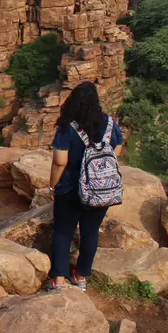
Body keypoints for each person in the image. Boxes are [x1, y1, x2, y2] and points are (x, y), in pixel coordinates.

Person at [45, 81, 123, 291]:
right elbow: (118, 146)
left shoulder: (67, 126)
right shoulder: (108, 123)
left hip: (70, 189)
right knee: (90, 232)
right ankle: (80, 277)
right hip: (100, 189)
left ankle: (59, 280)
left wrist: (52, 186)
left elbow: (60, 161)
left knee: (63, 232)